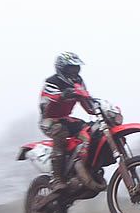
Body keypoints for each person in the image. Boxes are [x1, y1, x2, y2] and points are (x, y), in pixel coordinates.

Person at [39, 52, 105, 192]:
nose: (74, 71)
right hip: (49, 120)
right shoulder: (52, 82)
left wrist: (98, 108)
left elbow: (87, 103)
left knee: (91, 130)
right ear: (62, 68)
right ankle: (57, 178)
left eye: (76, 68)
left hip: (66, 118)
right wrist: (62, 95)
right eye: (71, 68)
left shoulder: (78, 81)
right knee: (60, 131)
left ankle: (85, 165)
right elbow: (49, 98)